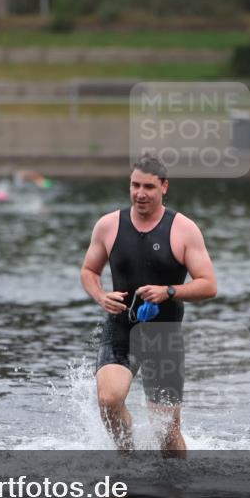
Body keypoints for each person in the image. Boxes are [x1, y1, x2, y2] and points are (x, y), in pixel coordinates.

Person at [80, 154, 217, 456]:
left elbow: (208, 284)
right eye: (134, 185)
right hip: (121, 327)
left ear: (164, 187)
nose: (140, 193)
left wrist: (169, 291)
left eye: (148, 187)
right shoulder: (108, 225)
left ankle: (177, 487)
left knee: (167, 436)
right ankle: (128, 458)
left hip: (163, 335)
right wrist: (101, 296)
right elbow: (89, 271)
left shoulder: (183, 229)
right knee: (109, 400)